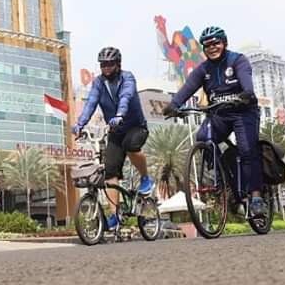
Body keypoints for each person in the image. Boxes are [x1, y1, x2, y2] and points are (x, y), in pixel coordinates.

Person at [161, 25, 265, 218]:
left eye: (216, 43)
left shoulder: (238, 61)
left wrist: (246, 94)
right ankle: (218, 177)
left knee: (247, 150)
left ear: (224, 43)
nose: (212, 48)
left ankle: (256, 197)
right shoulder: (204, 69)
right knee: (203, 137)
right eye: (207, 45)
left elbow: (247, 84)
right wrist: (174, 104)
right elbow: (188, 87)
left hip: (243, 111)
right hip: (219, 114)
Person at [72, 46, 152, 232]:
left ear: (118, 64)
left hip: (135, 126)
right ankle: (115, 215)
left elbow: (126, 96)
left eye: (110, 64)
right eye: (103, 65)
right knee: (110, 173)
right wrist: (80, 123)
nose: (106, 68)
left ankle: (146, 178)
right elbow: (91, 102)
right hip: (116, 132)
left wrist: (120, 114)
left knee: (131, 145)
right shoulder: (98, 83)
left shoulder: (127, 77)